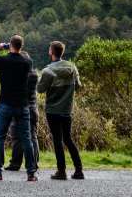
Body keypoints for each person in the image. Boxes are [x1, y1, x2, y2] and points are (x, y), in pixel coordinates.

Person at [0, 35, 39, 182]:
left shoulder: (3, 60)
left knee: (0, 138)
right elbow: (20, 59)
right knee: (27, 138)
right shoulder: (28, 62)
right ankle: (31, 173)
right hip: (22, 104)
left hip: (5, 103)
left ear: (10, 44)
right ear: (21, 46)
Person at [37, 41, 84, 180]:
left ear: (51, 52)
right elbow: (79, 87)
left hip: (52, 110)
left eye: (49, 49)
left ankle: (61, 172)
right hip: (67, 110)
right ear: (62, 52)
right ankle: (79, 170)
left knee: (57, 140)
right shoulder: (72, 67)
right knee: (68, 139)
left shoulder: (48, 71)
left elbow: (40, 89)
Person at [7, 64, 40, 173]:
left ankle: (15, 163)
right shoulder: (34, 75)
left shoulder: (20, 76)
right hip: (33, 109)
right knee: (33, 137)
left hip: (21, 108)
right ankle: (33, 163)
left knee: (16, 136)